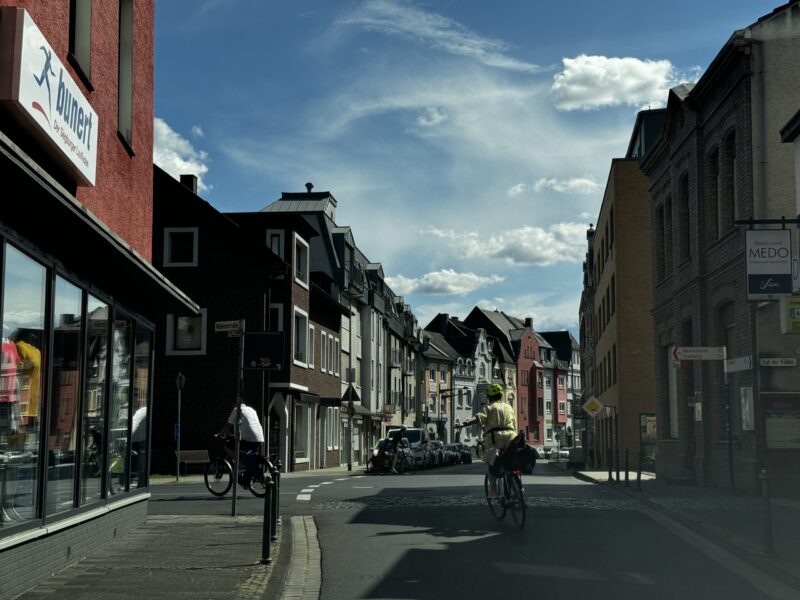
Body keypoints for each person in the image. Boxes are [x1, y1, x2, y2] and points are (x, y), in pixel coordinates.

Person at [455, 383, 516, 498]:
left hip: (495, 437)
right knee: (511, 462)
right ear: (501, 395)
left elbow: (478, 417)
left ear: (489, 397)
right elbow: (514, 423)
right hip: (511, 436)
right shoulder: (509, 407)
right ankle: (517, 487)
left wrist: (464, 423)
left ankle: (493, 490)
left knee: (491, 462)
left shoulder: (489, 407)